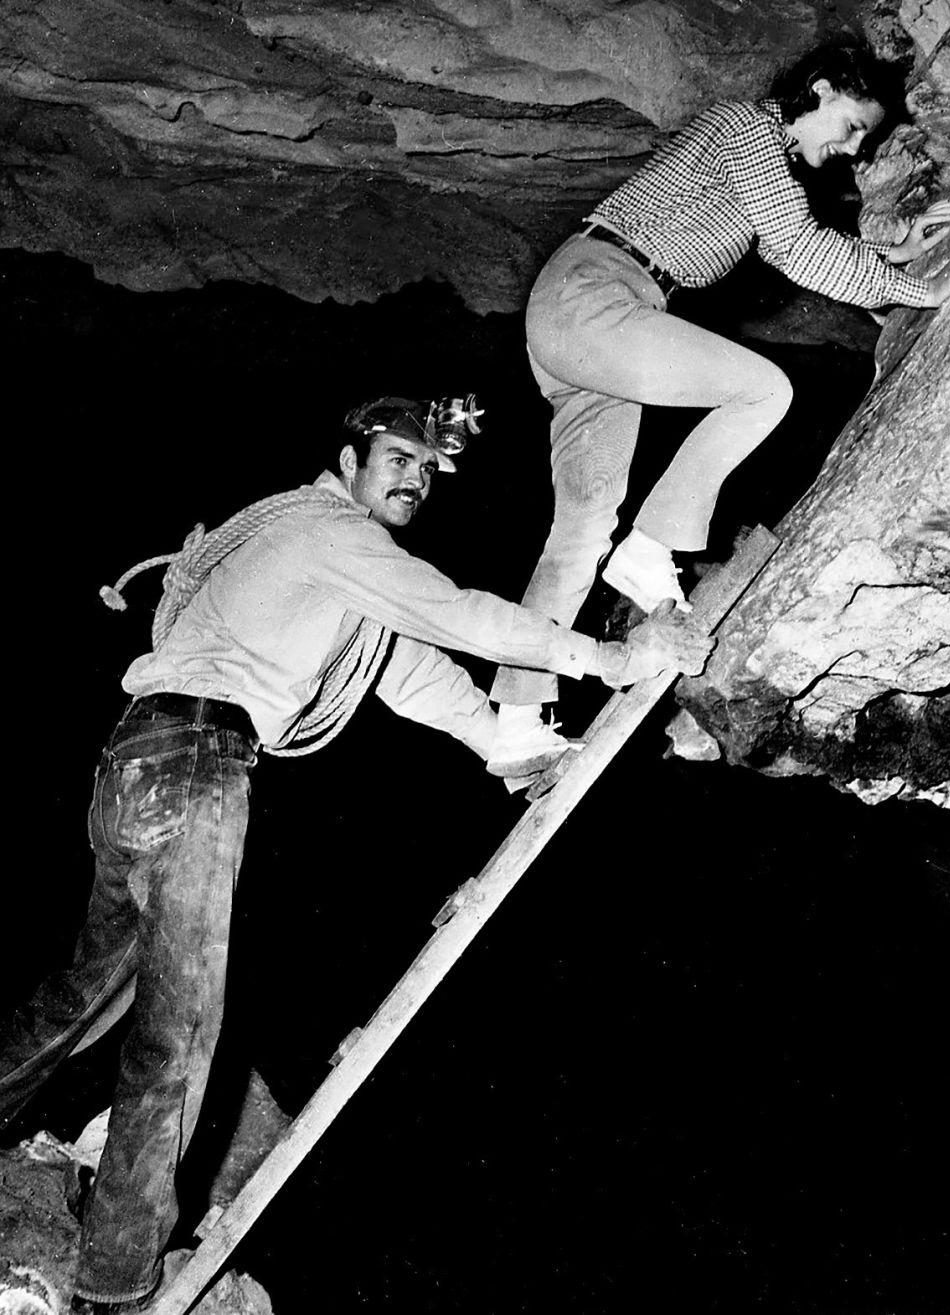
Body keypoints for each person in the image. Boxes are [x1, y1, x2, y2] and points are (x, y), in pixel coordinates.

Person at [0, 395, 711, 1314]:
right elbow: (458, 614)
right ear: (348, 458)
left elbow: (410, 668)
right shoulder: (328, 530)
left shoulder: (331, 563)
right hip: (196, 764)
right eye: (398, 457)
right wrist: (614, 659)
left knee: (85, 995)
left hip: (135, 760)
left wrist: (512, 751)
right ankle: (116, 1282)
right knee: (178, 1034)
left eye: (427, 470)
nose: (414, 478)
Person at [490, 37, 950, 741]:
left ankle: (516, 716)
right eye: (849, 126)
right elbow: (795, 244)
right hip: (597, 296)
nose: (851, 149)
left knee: (578, 531)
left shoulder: (755, 165)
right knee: (760, 390)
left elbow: (789, 242)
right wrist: (924, 288)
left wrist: (895, 256)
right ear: (815, 91)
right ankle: (652, 548)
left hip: (579, 315)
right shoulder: (747, 127)